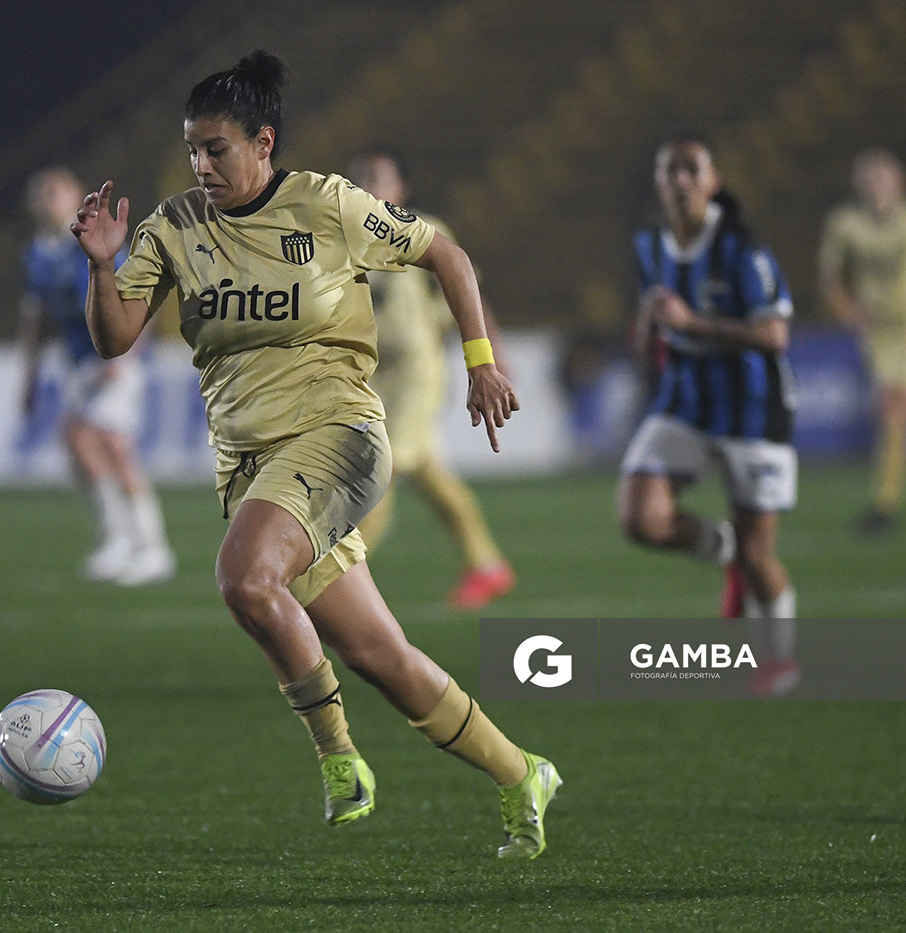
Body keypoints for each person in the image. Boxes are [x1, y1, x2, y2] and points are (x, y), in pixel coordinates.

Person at [71, 51, 560, 858]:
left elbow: (446, 253)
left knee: (244, 577)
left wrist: (480, 360)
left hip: (341, 436)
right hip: (252, 467)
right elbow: (113, 338)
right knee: (379, 654)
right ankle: (520, 772)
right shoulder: (175, 226)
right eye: (192, 148)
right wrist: (100, 264)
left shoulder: (327, 206)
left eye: (217, 148)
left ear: (263, 143)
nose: (201, 165)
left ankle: (339, 760)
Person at [617, 134, 800, 697]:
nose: (680, 181)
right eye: (669, 170)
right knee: (640, 519)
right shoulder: (649, 247)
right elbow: (653, 324)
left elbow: (775, 334)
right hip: (685, 402)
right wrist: (649, 330)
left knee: (760, 554)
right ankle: (724, 554)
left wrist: (693, 323)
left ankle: (780, 659)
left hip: (751, 410)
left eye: (692, 170)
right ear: (658, 181)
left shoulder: (743, 250)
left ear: (712, 180)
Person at [345, 150, 515, 609]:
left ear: (402, 190)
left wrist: (490, 355)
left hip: (416, 373)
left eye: (377, 177)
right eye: (358, 177)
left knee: (382, 469)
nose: (366, 185)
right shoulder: (342, 236)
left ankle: (338, 574)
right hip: (370, 376)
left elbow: (468, 291)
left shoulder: (423, 231)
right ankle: (486, 564)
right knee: (425, 469)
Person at [19, 165, 176, 585]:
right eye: (40, 193)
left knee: (112, 443)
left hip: (114, 359)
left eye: (55, 191)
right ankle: (117, 539)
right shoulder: (37, 253)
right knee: (77, 444)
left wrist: (122, 358)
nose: (46, 199)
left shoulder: (91, 243)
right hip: (78, 365)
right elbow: (37, 322)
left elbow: (135, 296)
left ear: (73, 197)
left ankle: (152, 548)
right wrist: (29, 379)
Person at [818, 149, 906, 534]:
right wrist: (850, 313)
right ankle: (885, 505)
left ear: (898, 181)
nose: (876, 186)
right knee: (896, 414)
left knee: (896, 403)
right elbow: (832, 277)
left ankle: (884, 507)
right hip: (878, 332)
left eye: (882, 178)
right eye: (869, 179)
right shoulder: (846, 223)